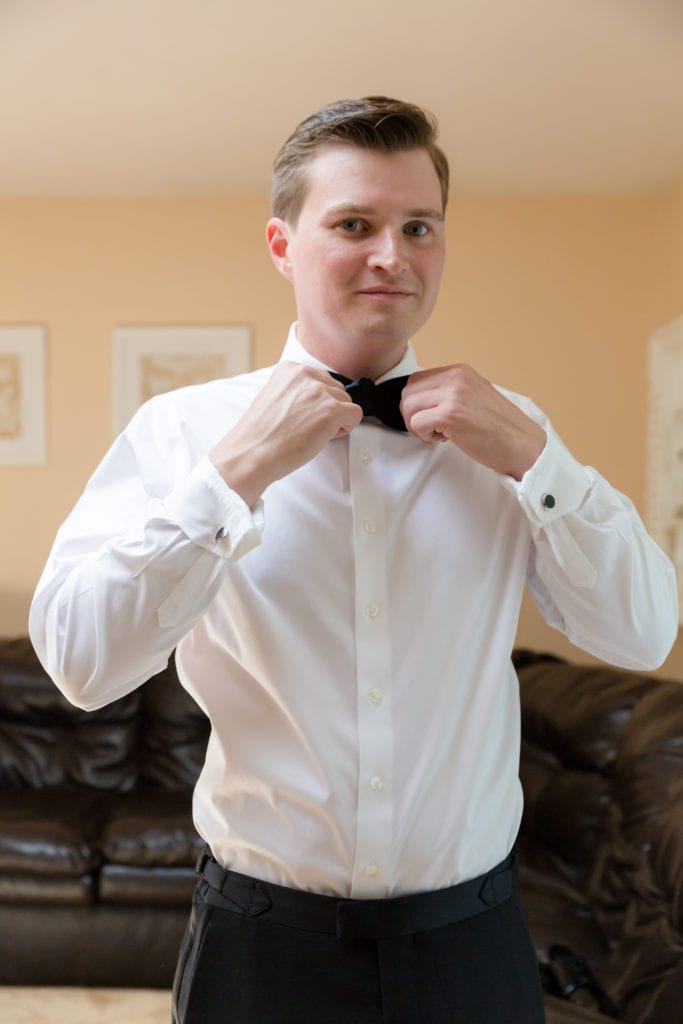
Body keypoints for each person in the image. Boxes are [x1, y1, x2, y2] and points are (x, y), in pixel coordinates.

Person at [30, 96, 678, 1023]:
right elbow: (82, 664)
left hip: (471, 940)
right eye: (353, 224)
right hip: (259, 946)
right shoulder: (184, 435)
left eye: (418, 226)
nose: (392, 255)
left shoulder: (515, 436)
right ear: (281, 244)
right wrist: (232, 475)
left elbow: (645, 630)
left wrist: (541, 463)